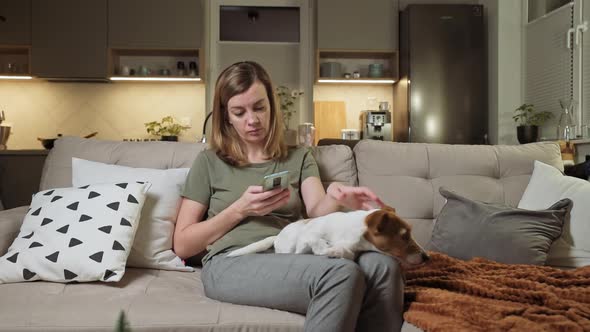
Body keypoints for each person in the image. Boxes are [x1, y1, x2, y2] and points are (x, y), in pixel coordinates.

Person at [173, 61, 405, 332]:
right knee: (341, 274)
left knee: (383, 266)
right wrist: (240, 210)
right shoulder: (209, 162)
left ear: (272, 105)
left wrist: (339, 198)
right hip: (232, 261)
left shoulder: (299, 156)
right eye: (239, 112)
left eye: (259, 107)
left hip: (290, 251)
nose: (252, 120)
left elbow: (318, 209)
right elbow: (183, 244)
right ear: (226, 116)